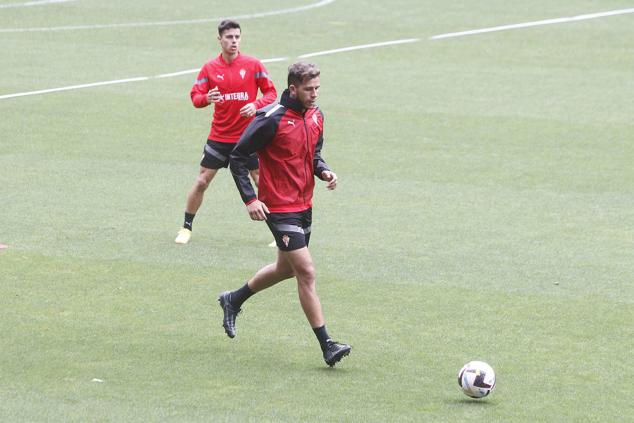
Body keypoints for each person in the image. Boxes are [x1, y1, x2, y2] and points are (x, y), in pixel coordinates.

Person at [219, 62, 351, 367]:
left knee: (286, 268)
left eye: (317, 88)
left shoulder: (316, 116)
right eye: (309, 89)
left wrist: (325, 171)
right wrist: (250, 199)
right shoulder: (271, 119)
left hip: (305, 205)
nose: (314, 94)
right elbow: (238, 156)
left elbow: (312, 155)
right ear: (293, 88)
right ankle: (328, 345)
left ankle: (233, 299)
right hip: (278, 207)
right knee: (306, 271)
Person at [175, 19, 277, 244]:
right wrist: (206, 98)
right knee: (202, 181)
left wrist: (256, 105)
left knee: (262, 182)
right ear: (219, 39)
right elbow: (195, 98)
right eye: (229, 37)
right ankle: (186, 228)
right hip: (219, 138)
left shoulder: (253, 65)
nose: (234, 41)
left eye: (237, 37)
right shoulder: (209, 68)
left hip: (248, 138)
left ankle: (278, 231)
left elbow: (271, 93)